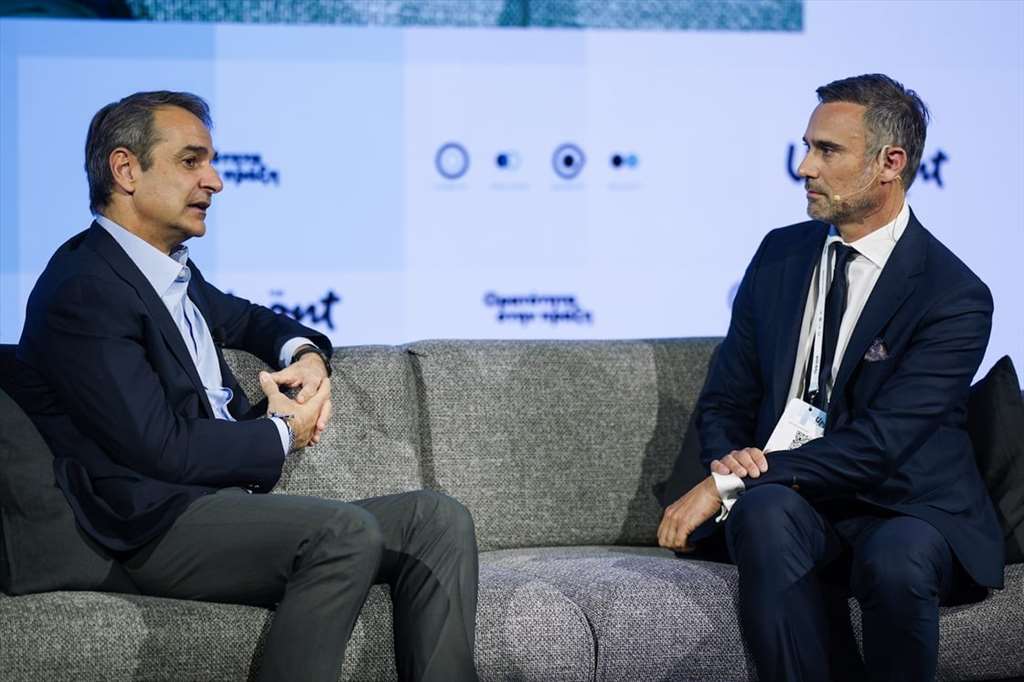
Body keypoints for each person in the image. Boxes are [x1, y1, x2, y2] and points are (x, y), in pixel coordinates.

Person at [14, 91, 479, 682]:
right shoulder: (84, 288)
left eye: (210, 162)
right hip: (150, 528)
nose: (214, 181)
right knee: (343, 533)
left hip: (220, 507)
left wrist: (305, 355)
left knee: (436, 519)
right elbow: (159, 448)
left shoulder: (169, 272)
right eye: (191, 161)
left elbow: (253, 320)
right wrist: (284, 432)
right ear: (126, 170)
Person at [657, 74, 1003, 681]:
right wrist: (730, 464)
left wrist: (729, 484)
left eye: (827, 151)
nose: (804, 167)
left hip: (903, 503)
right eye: (807, 147)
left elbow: (882, 444)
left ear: (890, 163)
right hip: (794, 498)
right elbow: (726, 399)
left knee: (896, 562)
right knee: (763, 513)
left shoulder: (954, 296)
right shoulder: (780, 255)